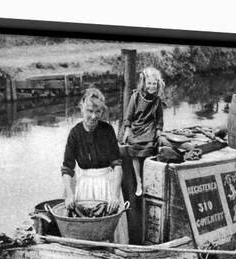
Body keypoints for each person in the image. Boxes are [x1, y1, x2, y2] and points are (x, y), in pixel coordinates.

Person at [61, 88, 128, 243]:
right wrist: (70, 194)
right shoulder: (75, 133)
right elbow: (67, 169)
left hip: (106, 184)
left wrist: (115, 194)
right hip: (84, 186)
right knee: (84, 230)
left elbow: (117, 165)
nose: (93, 116)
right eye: (89, 111)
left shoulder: (107, 130)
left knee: (110, 231)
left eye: (98, 112)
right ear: (82, 109)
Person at [121, 67, 165, 196]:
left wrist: (158, 130)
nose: (151, 86)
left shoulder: (157, 100)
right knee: (134, 150)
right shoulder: (135, 96)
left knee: (150, 148)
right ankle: (139, 182)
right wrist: (127, 131)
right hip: (137, 128)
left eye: (154, 84)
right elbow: (128, 116)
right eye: (149, 83)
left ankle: (148, 180)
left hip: (149, 127)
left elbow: (160, 118)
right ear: (144, 83)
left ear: (157, 85)